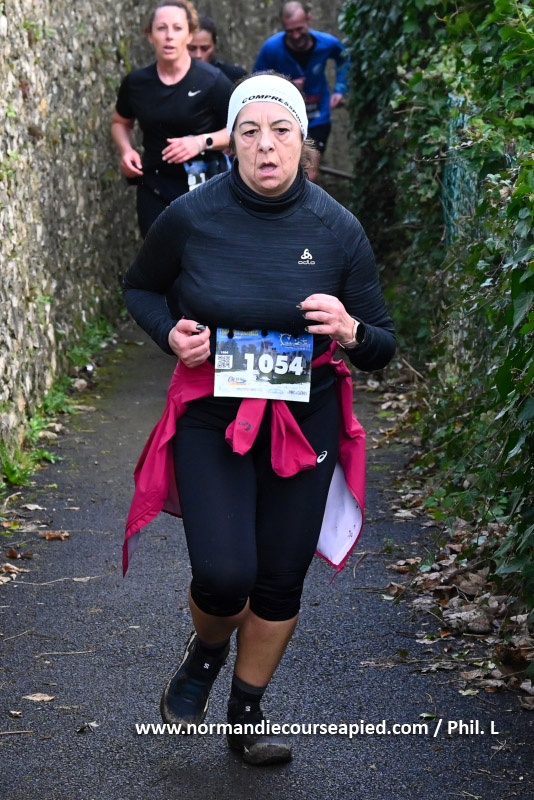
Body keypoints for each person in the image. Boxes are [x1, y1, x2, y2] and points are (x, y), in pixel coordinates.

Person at [121, 73, 396, 765]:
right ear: (232, 141)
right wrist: (169, 334)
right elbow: (141, 287)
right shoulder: (192, 216)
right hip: (214, 414)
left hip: (306, 420)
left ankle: (247, 712)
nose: (266, 146)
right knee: (224, 576)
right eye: (250, 131)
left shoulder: (337, 229)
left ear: (303, 141)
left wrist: (350, 330)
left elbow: (382, 346)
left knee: (278, 578)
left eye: (281, 131)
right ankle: (206, 651)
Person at [111, 0, 233, 239]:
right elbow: (120, 122)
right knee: (158, 256)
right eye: (161, 28)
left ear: (189, 35)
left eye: (177, 28)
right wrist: (126, 150)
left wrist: (200, 142)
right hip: (154, 185)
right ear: (150, 36)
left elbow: (242, 129)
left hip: (203, 183)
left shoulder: (212, 80)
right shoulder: (136, 83)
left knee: (198, 255)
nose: (169, 36)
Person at [254, 1, 349, 181]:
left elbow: (343, 58)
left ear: (309, 20)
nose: (296, 36)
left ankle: (304, 199)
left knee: (309, 171)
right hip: (284, 121)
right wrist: (285, 86)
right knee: (284, 169)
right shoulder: (271, 48)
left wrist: (340, 89)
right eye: (290, 31)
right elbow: (256, 82)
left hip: (317, 118)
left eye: (299, 29)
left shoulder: (327, 43)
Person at [187, 15, 247, 83]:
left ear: (214, 44)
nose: (198, 55)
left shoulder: (234, 75)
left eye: (205, 48)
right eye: (191, 48)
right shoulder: (176, 79)